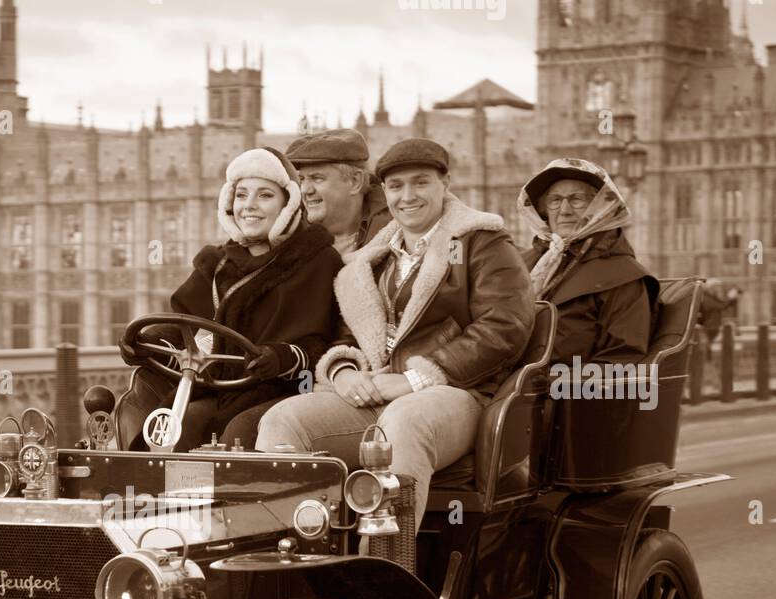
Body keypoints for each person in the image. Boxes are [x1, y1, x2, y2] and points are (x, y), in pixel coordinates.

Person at [254, 138, 535, 528]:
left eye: (420, 183)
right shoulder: (375, 256)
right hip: (378, 391)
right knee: (283, 420)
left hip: (459, 394)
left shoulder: (482, 242)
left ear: (445, 183)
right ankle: (294, 555)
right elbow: (346, 336)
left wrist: (415, 379)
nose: (407, 196)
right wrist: (344, 372)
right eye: (396, 186)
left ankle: (389, 565)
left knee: (404, 422)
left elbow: (505, 326)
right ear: (384, 192)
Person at [115, 146, 342, 451]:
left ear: (288, 204)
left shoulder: (318, 261)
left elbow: (319, 344)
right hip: (217, 388)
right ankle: (154, 494)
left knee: (238, 432)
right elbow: (185, 325)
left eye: (264, 195)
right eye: (241, 195)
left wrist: (280, 357)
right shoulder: (218, 262)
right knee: (170, 427)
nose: (249, 206)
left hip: (285, 391)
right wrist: (146, 343)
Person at [518, 157, 658, 368]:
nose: (564, 210)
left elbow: (621, 360)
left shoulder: (623, 276)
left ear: (601, 207)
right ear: (543, 209)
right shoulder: (522, 264)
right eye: (555, 200)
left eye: (577, 199)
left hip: (556, 393)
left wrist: (547, 384)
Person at [285, 128, 392, 261]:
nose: (305, 190)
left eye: (317, 178)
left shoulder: (398, 235)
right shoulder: (286, 237)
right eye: (302, 179)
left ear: (355, 181)